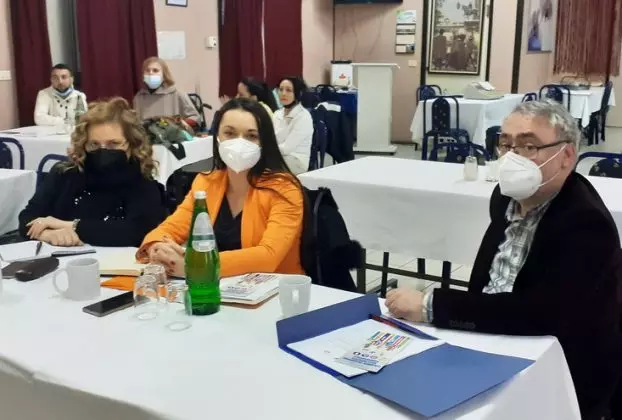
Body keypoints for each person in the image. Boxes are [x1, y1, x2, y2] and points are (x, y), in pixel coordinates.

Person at [385, 100, 622, 420]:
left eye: (528, 146)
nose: (512, 157)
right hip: (491, 339)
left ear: (566, 156)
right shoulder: (505, 197)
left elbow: (540, 316)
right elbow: (489, 284)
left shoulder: (585, 222)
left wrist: (432, 305)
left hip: (559, 368)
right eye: (505, 144)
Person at [137, 98, 305, 279]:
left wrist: (195, 265)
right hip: (221, 286)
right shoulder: (206, 182)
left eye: (251, 136)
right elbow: (173, 227)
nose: (239, 143)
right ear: (217, 138)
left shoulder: (284, 189)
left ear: (264, 142)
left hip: (277, 287)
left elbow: (268, 256)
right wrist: (157, 247)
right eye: (230, 133)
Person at [19, 98, 167, 247]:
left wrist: (69, 226)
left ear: (132, 144)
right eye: (94, 144)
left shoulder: (141, 181)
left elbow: (137, 231)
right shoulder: (64, 173)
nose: (103, 150)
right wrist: (47, 234)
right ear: (84, 144)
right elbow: (27, 217)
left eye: (113, 144)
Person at [133, 57, 200, 129]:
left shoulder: (177, 93)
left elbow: (195, 117)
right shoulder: (139, 97)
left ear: (164, 75)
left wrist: (180, 124)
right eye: (147, 70)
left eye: (155, 70)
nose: (151, 73)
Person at [273, 77, 313, 175]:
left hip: (296, 161)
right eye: (281, 89)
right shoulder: (277, 114)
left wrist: (266, 150)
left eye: (288, 90)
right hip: (278, 156)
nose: (283, 93)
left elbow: (287, 148)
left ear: (298, 93)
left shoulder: (303, 117)